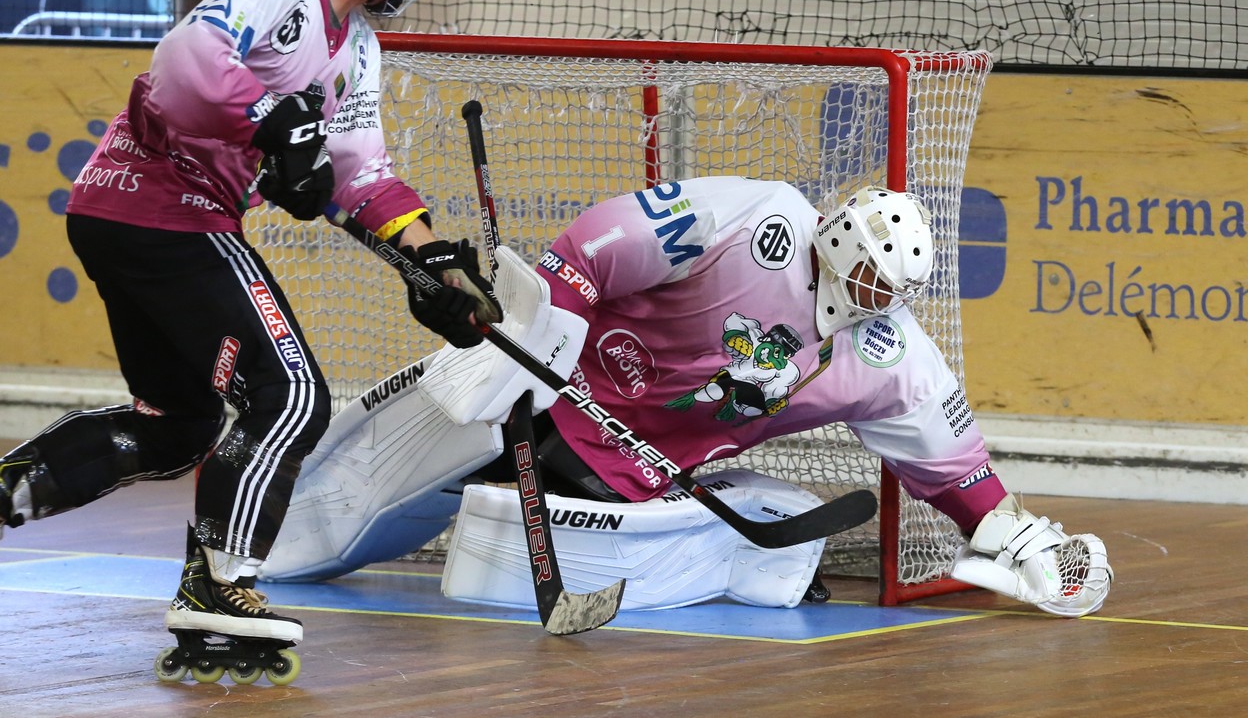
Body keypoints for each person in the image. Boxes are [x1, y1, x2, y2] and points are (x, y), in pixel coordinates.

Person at [0, 0, 498, 665]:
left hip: (131, 216)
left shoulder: (357, 47)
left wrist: (430, 261)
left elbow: (359, 174)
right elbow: (181, 61)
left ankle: (8, 490)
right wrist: (273, 120)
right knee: (289, 393)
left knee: (178, 425)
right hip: (168, 209)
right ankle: (219, 583)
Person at [261, 176, 1113, 618]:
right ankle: (235, 544)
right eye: (864, 274)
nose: (868, 296)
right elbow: (595, 247)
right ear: (836, 234)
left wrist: (1023, 540)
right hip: (532, 395)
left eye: (886, 291)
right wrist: (545, 333)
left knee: (489, 566)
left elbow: (960, 473)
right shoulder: (760, 220)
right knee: (329, 514)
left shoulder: (892, 358)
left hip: (627, 477)